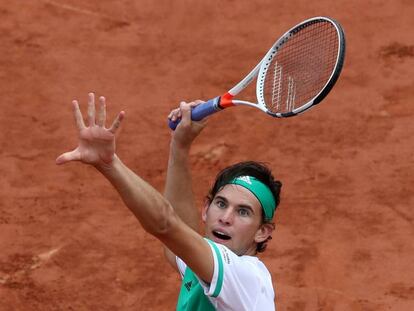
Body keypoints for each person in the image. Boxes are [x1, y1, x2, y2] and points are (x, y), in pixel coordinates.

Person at [56, 93, 282, 310]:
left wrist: (109, 164)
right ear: (205, 209)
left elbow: (166, 224)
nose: (225, 218)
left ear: (262, 231)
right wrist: (180, 146)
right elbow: (177, 248)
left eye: (243, 212)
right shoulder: (207, 267)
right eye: (221, 204)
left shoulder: (246, 278)